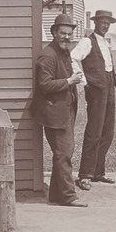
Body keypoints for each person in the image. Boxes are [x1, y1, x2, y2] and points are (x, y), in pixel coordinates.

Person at [28, 14, 87, 207]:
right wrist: (69, 81)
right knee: (64, 153)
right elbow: (45, 85)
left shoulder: (63, 52)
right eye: (63, 33)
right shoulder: (47, 55)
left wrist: (73, 76)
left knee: (63, 152)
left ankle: (55, 195)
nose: (66, 37)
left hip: (64, 111)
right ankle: (68, 196)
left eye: (69, 34)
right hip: (53, 113)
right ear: (54, 33)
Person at [73, 9, 116, 190]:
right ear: (95, 23)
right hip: (96, 90)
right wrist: (84, 81)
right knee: (94, 132)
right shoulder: (86, 42)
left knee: (108, 132)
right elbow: (73, 59)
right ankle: (85, 174)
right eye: (102, 22)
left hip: (109, 88)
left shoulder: (106, 43)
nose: (105, 26)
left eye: (108, 23)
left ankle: (98, 172)